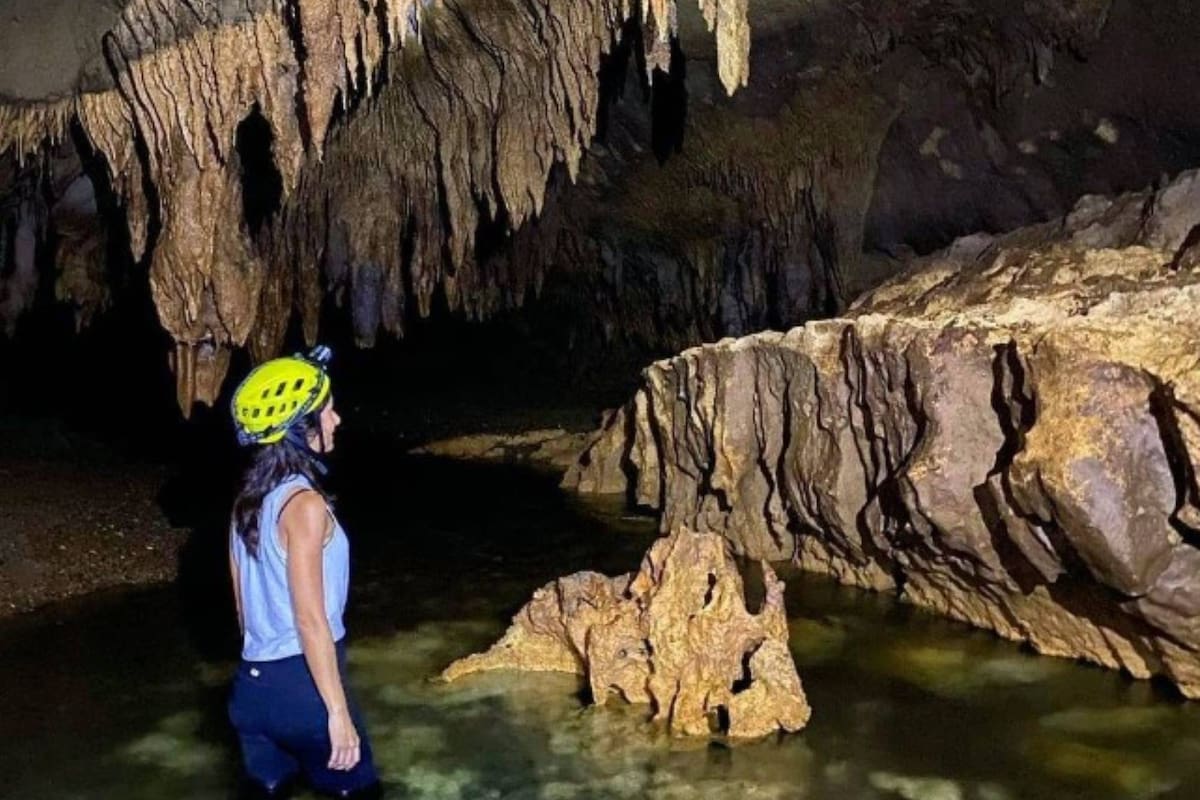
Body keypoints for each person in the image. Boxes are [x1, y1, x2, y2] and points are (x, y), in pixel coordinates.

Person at [226, 345, 381, 799]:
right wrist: (336, 713)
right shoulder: (305, 506)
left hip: (251, 693)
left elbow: (243, 613)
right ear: (300, 429)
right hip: (305, 693)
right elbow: (310, 620)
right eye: (328, 411)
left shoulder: (244, 505)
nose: (336, 420)